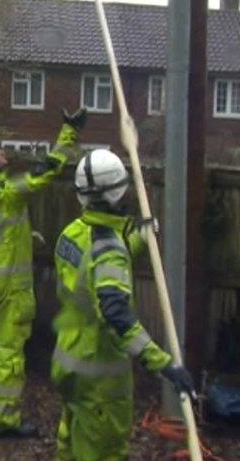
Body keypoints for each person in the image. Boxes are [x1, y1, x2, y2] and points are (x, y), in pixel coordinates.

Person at [51, 148, 196, 460]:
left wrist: (139, 239)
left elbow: (94, 272)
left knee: (72, 445)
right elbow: (117, 316)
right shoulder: (110, 250)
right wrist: (167, 366)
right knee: (104, 452)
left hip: (69, 362)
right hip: (99, 376)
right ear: (117, 192)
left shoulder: (72, 234)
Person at [0, 107, 87, 437]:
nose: (1, 152)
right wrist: (69, 132)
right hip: (10, 283)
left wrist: (27, 236)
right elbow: (48, 172)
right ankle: (4, 418)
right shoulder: (6, 192)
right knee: (10, 350)